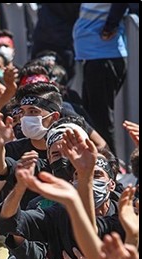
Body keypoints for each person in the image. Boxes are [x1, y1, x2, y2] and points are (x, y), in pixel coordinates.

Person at [73, 3, 128, 154]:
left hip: (104, 57)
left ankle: (110, 166)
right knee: (91, 115)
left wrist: (110, 26)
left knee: (101, 118)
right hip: (94, 57)